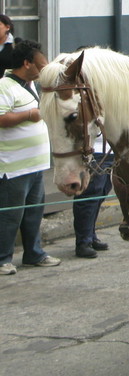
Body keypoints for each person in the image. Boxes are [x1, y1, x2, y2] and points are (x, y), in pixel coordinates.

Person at [0, 39, 60, 275]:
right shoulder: (5, 86)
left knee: (34, 212)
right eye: (41, 65)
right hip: (13, 166)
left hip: (36, 165)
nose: (44, 70)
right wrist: (28, 115)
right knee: (10, 215)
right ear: (26, 64)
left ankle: (34, 253)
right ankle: (3, 258)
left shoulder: (31, 85)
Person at [72, 133, 113, 258]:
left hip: (110, 149)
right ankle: (83, 242)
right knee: (90, 194)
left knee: (101, 193)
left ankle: (90, 236)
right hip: (94, 150)